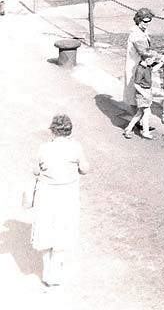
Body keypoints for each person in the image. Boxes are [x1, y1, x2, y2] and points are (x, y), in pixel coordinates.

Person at [30, 114, 89, 287]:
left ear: (53, 131)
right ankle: (55, 273)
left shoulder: (44, 148)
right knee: (63, 229)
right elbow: (84, 169)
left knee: (46, 229)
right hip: (66, 194)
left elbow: (35, 170)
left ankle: (46, 271)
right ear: (69, 131)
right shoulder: (76, 148)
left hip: (46, 193)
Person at [123, 54, 164, 139]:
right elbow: (136, 84)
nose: (153, 62)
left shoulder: (147, 66)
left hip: (147, 91)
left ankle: (128, 129)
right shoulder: (140, 70)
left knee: (140, 113)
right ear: (148, 59)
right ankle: (145, 132)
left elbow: (153, 70)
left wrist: (162, 63)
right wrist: (144, 94)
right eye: (152, 60)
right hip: (142, 93)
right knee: (147, 112)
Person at [123, 8, 158, 110]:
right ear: (138, 20)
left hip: (140, 65)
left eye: (149, 21)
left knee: (137, 94)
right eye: (145, 21)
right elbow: (144, 52)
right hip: (136, 66)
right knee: (135, 94)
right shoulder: (136, 34)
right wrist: (160, 57)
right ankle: (137, 122)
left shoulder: (142, 31)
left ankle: (139, 121)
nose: (148, 23)